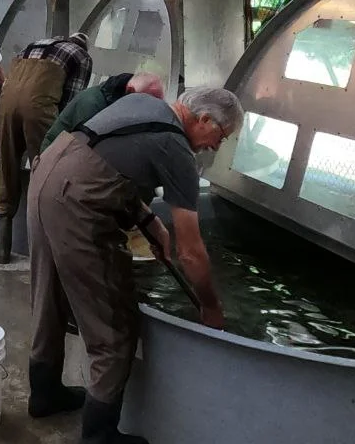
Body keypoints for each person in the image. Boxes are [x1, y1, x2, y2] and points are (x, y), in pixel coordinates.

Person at [27, 87, 241, 444]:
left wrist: (149, 223)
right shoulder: (176, 148)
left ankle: (44, 393)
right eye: (220, 136)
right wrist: (210, 306)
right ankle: (100, 436)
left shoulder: (145, 105)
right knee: (113, 325)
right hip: (75, 202)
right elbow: (190, 251)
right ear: (203, 119)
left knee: (49, 298)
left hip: (45, 175)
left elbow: (108, 159)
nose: (215, 147)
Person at [0, 32, 94, 264]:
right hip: (38, 109)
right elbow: (71, 103)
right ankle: (46, 252)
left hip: (6, 104)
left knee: (6, 164)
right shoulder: (82, 57)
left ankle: (2, 246)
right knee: (48, 172)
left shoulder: (33, 43)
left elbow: (11, 81)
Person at [40, 71, 164, 153]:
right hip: (54, 159)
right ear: (131, 91)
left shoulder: (114, 101)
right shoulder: (92, 104)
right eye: (143, 104)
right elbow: (87, 151)